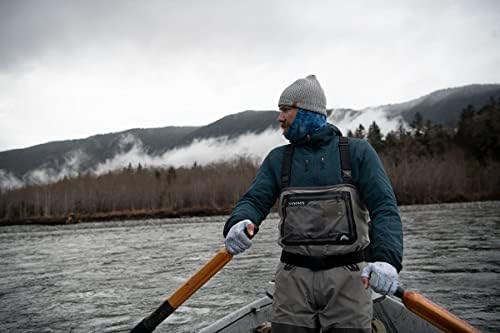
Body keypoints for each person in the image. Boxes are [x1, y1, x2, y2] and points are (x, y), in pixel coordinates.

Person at [223, 75, 403, 333]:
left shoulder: (357, 153)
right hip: (292, 280)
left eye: (285, 110)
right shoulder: (277, 160)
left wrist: (386, 260)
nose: (279, 118)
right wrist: (239, 221)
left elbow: (385, 210)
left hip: (350, 279)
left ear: (307, 111)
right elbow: (253, 201)